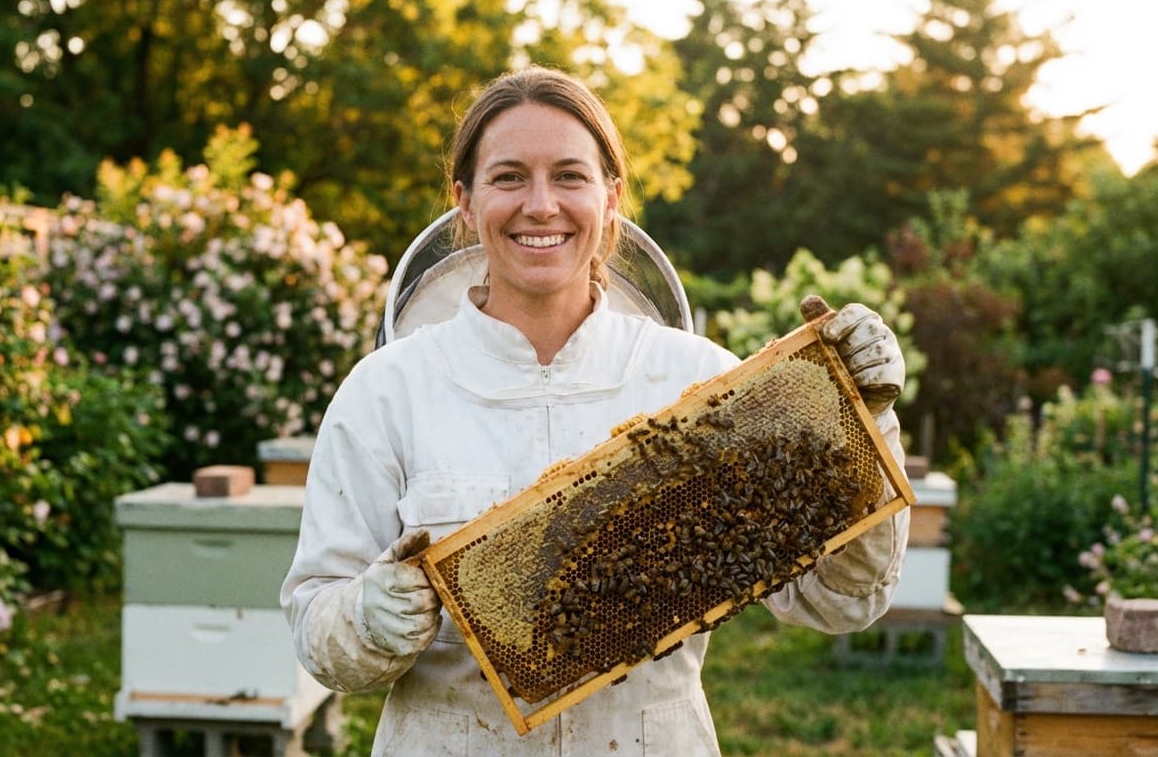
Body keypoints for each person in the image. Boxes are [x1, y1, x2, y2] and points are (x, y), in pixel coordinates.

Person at [281, 65, 909, 756]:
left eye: (569, 176)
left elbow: (841, 599)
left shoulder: (697, 379)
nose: (540, 205)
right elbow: (317, 623)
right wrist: (366, 617)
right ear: (465, 201)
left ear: (610, 198)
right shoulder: (386, 391)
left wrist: (862, 423)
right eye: (509, 177)